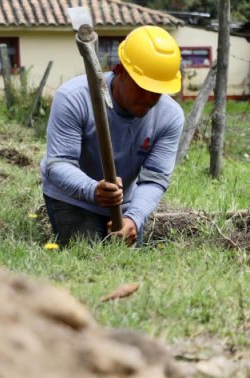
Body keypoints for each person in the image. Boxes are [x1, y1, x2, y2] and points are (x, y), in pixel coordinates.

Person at [40, 26, 184, 246]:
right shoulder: (73, 98)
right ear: (121, 71)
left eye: (157, 91)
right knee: (88, 256)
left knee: (128, 262)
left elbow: (155, 178)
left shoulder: (170, 117)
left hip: (123, 205)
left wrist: (133, 218)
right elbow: (58, 164)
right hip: (72, 198)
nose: (148, 98)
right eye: (142, 87)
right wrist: (93, 190)